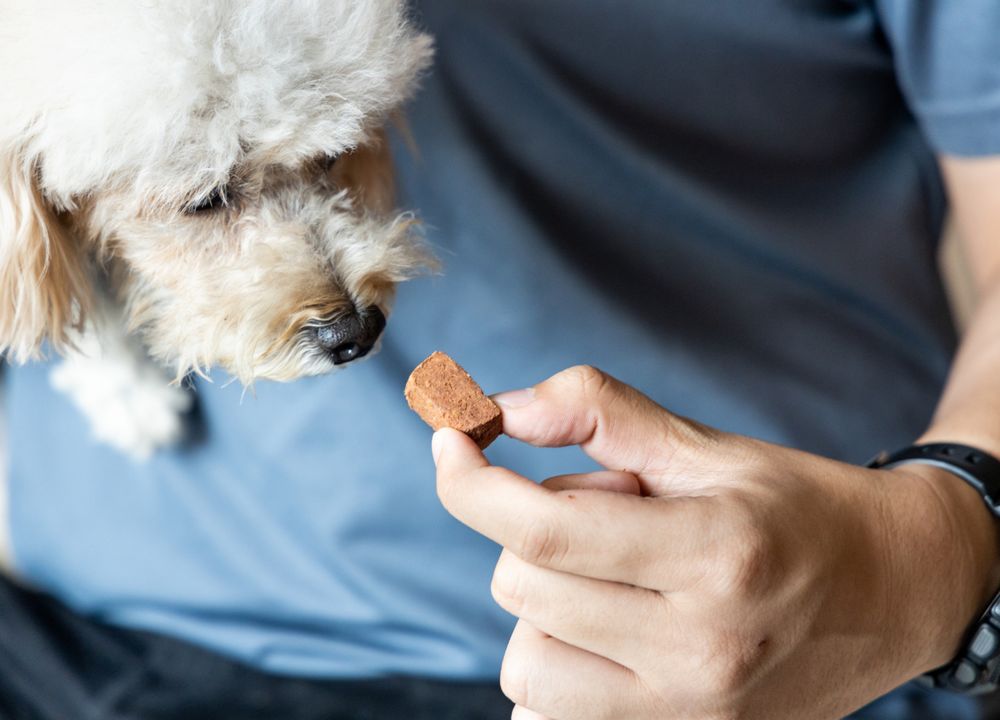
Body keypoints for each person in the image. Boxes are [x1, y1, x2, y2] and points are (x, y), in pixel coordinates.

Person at [2, 0, 1000, 718]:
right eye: (207, 200)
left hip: (721, 670)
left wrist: (932, 557)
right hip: (63, 631)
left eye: (326, 159)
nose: (349, 308)